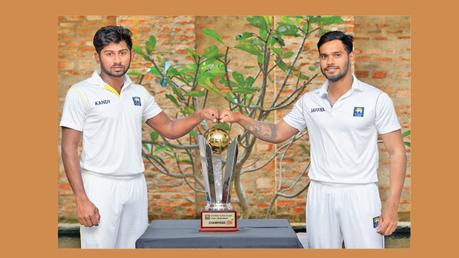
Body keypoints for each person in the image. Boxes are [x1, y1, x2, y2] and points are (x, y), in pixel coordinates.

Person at [219, 31, 407, 248]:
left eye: (336, 55)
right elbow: (277, 133)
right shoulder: (309, 101)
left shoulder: (376, 99)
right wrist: (240, 118)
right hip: (320, 193)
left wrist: (392, 206)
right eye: (324, 56)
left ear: (350, 57)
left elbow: (397, 152)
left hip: (361, 193)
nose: (330, 62)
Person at [60, 25, 218, 248]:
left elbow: (170, 128)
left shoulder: (139, 94)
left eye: (122, 53)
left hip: (135, 185)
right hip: (100, 185)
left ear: (130, 54)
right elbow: (68, 148)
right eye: (110, 53)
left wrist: (199, 115)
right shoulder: (80, 93)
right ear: (97, 57)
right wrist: (81, 198)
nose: (117, 60)